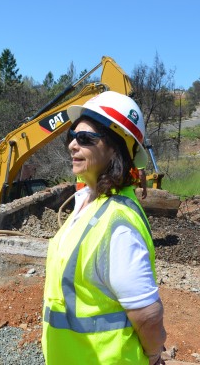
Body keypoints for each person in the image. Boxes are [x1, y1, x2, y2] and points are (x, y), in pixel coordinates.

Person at [42, 91, 166, 364]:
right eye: (72, 136)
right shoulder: (87, 202)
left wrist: (154, 356)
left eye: (85, 138)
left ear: (115, 148)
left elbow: (147, 315)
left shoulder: (118, 222)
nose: (73, 145)